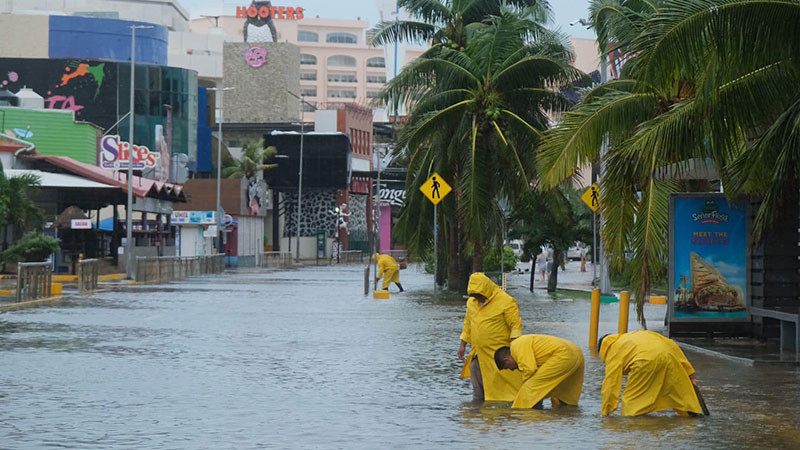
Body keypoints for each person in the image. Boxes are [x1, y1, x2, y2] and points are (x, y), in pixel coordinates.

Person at [598, 331, 705, 417]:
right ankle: (693, 416)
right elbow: (671, 344)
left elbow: (611, 383)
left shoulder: (612, 350)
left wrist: (606, 412)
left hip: (644, 362)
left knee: (631, 406)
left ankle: (635, 425)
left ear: (602, 350)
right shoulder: (636, 335)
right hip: (670, 359)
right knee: (680, 396)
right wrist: (688, 371)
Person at [458, 273, 523, 401]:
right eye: (474, 296)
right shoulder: (471, 303)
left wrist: (514, 350)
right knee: (478, 393)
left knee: (504, 392)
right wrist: (462, 344)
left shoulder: (506, 301)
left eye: (479, 295)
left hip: (499, 357)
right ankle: (478, 414)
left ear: (486, 289)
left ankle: (503, 414)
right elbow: (467, 324)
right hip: (478, 355)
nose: (478, 298)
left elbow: (515, 326)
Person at [494, 334, 584, 409]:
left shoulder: (516, 346)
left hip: (563, 355)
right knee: (562, 394)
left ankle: (522, 413)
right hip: (577, 352)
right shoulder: (525, 342)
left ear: (506, 360)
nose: (512, 370)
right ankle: (566, 414)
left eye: (508, 367)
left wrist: (524, 390)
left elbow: (529, 370)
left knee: (528, 389)